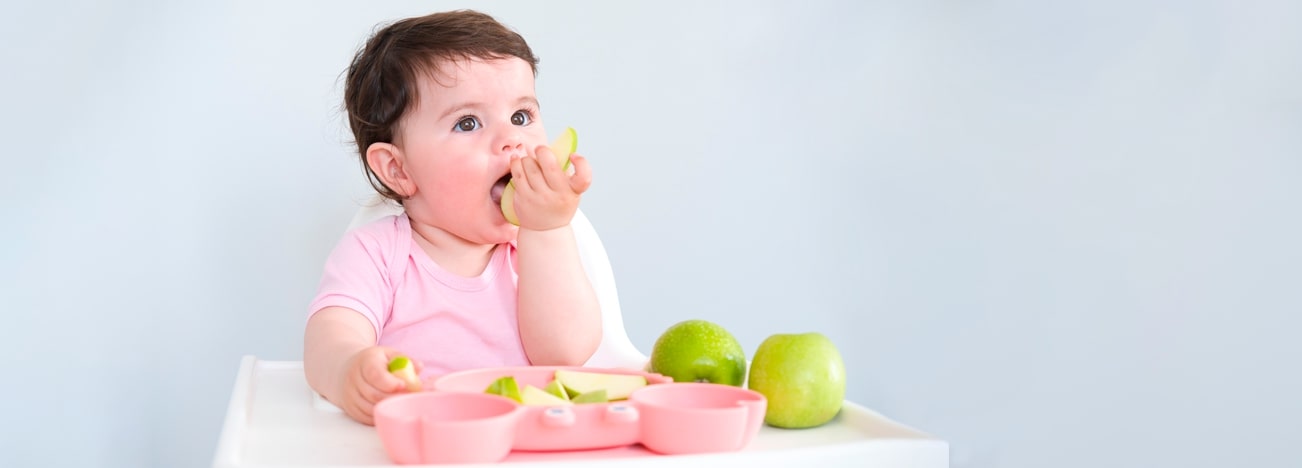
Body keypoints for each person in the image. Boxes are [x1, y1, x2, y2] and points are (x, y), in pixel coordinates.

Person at [303, 9, 602, 426]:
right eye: (468, 123)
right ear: (398, 170)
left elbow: (565, 353)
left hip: (526, 442)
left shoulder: (535, 251)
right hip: (424, 440)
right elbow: (327, 340)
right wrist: (350, 371)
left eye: (521, 116)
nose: (511, 139)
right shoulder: (377, 254)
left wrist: (548, 229)